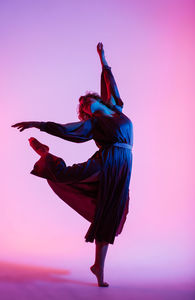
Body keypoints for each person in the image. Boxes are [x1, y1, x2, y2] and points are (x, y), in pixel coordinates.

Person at [12, 42, 133, 287]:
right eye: (83, 108)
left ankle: (98, 267)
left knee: (110, 212)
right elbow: (68, 130)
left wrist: (103, 59)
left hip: (125, 164)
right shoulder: (93, 124)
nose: (84, 106)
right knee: (68, 175)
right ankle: (45, 155)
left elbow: (111, 83)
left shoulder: (116, 108)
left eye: (86, 102)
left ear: (94, 98)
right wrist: (40, 124)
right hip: (107, 160)